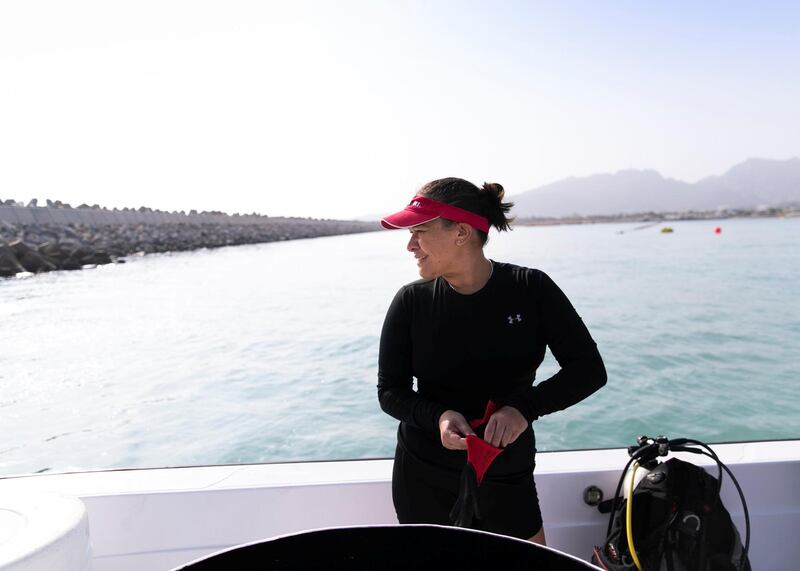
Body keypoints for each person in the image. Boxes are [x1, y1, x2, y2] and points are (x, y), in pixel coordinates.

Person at [377, 177, 607, 544]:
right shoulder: (410, 302)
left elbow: (589, 371)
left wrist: (522, 409)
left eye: (420, 231)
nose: (410, 245)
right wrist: (438, 416)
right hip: (423, 472)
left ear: (462, 232)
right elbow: (390, 392)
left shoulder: (531, 289)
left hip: (506, 469)